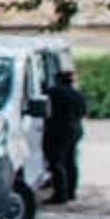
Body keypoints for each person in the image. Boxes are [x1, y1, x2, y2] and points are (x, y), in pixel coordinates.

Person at [44, 68, 87, 203]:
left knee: (57, 161)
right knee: (70, 160)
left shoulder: (54, 92)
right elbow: (83, 112)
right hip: (75, 128)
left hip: (59, 130)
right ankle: (71, 191)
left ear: (58, 80)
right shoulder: (78, 94)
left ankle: (60, 194)